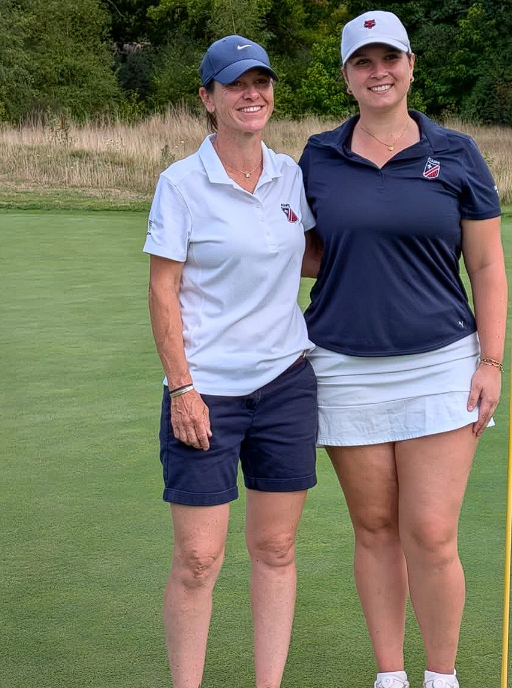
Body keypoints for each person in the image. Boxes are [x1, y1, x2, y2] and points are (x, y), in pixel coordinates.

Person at [299, 11, 507, 688]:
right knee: (374, 528)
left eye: (389, 58)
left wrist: (491, 361)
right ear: (346, 77)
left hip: (441, 362)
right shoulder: (318, 156)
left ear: (411, 66)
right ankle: (389, 676)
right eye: (363, 62)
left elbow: (486, 265)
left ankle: (441, 676)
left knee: (431, 532)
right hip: (343, 366)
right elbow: (299, 249)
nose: (378, 72)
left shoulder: (457, 154)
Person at [144, 35, 317, 688]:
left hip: (285, 385)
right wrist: (181, 388)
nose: (252, 94)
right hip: (205, 391)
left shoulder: (289, 175)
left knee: (275, 547)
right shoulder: (181, 184)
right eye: (235, 84)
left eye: (260, 82)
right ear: (207, 98)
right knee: (197, 558)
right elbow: (163, 289)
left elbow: (309, 254)